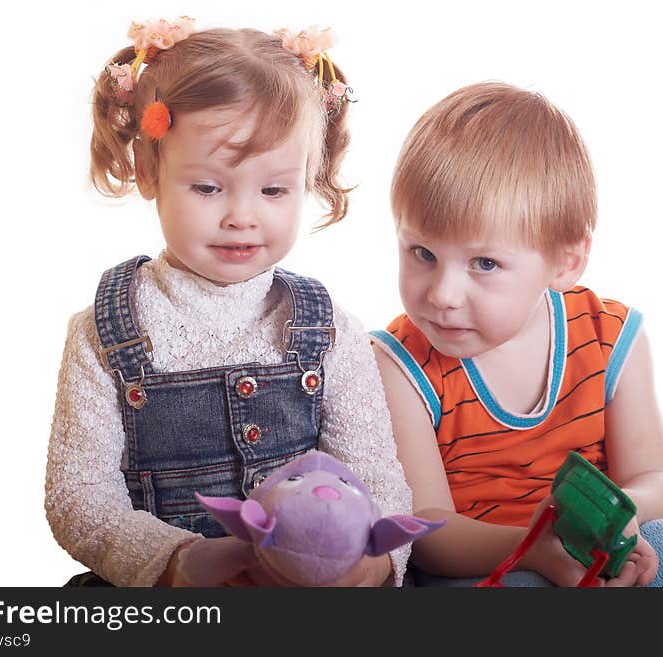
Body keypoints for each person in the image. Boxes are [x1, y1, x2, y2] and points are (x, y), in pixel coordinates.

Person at [45, 18, 411, 587]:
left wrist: (372, 563)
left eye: (273, 190)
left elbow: (376, 479)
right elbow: (80, 497)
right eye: (208, 187)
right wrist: (178, 561)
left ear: (308, 179)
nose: (242, 216)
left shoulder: (330, 332)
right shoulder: (102, 333)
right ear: (149, 172)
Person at [370, 82, 663, 587]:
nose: (443, 293)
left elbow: (656, 480)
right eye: (422, 253)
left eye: (484, 263)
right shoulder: (398, 363)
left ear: (566, 262)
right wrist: (532, 549)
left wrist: (620, 521)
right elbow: (428, 535)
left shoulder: (609, 336)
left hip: (593, 546)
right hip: (485, 563)